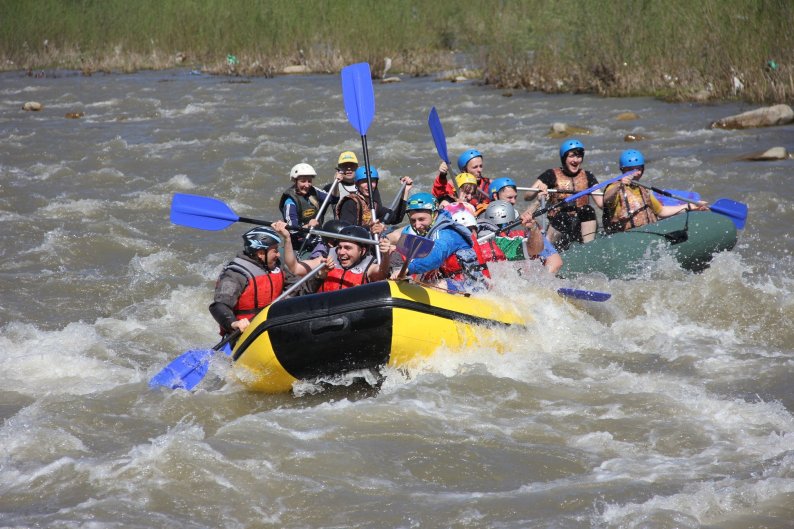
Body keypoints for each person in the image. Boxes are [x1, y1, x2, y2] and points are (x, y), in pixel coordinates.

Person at [387, 192, 487, 290]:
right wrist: (386, 241)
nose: (417, 225)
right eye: (413, 220)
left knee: (438, 285)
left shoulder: (446, 232)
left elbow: (436, 254)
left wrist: (408, 269)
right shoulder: (429, 228)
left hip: (473, 288)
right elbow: (402, 234)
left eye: (421, 219)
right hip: (455, 281)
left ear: (434, 215)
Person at [209, 222, 290, 336]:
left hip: (274, 324)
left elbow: (297, 288)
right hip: (246, 332)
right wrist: (234, 323)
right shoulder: (235, 275)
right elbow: (219, 305)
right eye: (275, 250)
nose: (278, 255)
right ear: (261, 253)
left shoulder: (277, 266)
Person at [602, 149, 709, 233]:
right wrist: (619, 184)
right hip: (626, 236)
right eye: (631, 169)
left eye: (639, 169)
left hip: (646, 232)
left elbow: (661, 211)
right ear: (623, 170)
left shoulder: (643, 189)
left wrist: (689, 206)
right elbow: (606, 199)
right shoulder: (614, 186)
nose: (637, 173)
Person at [524, 139, 602, 250]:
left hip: (581, 225)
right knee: (563, 216)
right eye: (572, 156)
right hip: (559, 223)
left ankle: (589, 248)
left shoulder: (588, 175)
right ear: (564, 158)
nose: (576, 160)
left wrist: (616, 190)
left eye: (579, 156)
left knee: (588, 210)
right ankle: (547, 249)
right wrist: (539, 188)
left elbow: (601, 203)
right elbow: (527, 196)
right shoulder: (551, 174)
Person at [280, 224, 393, 292]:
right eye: (340, 247)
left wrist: (386, 255)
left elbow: (382, 273)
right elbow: (294, 268)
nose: (341, 252)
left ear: (362, 251)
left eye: (348, 248)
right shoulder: (326, 260)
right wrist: (287, 239)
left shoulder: (369, 268)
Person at [475, 201, 562, 273]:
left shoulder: (474, 237)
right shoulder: (505, 243)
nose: (513, 200)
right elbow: (536, 249)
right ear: (510, 223)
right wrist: (533, 227)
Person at [279, 162, 341, 250]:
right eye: (303, 181)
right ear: (295, 181)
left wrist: (336, 182)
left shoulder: (313, 191)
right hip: (299, 243)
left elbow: (333, 199)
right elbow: (292, 230)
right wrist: (308, 225)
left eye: (309, 181)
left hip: (316, 236)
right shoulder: (290, 202)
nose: (307, 185)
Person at [336, 166, 412, 230]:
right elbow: (347, 231)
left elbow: (396, 218)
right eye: (364, 181)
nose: (369, 185)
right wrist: (370, 228)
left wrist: (405, 191)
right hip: (354, 242)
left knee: (401, 230)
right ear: (357, 184)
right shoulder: (350, 203)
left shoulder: (374, 205)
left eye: (372, 181)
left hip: (370, 240)